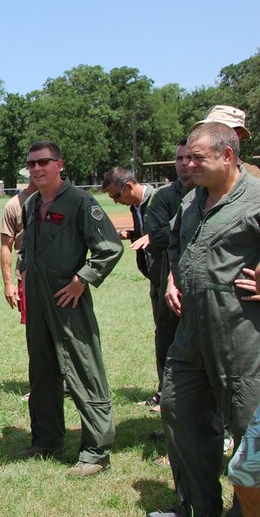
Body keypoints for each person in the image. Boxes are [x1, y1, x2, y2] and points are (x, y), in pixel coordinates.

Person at [159, 122, 260, 517]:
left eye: (198, 158)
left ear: (228, 155)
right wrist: (171, 277)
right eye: (186, 158)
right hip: (190, 333)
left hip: (239, 333)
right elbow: (177, 242)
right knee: (178, 409)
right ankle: (200, 507)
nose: (189, 165)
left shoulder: (255, 199)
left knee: (245, 423)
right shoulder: (190, 201)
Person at [17, 140, 123, 477]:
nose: (37, 169)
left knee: (83, 368)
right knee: (43, 370)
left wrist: (83, 279)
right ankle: (47, 439)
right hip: (37, 300)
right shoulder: (31, 203)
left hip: (67, 298)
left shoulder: (80, 201)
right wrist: (23, 271)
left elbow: (109, 246)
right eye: (32, 164)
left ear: (60, 164)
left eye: (44, 162)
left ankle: (96, 450)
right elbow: (28, 248)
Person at [101, 166, 160, 409]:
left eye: (116, 196)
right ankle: (164, 392)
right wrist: (131, 233)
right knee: (163, 337)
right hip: (155, 280)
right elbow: (144, 230)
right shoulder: (135, 205)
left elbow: (177, 230)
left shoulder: (159, 198)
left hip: (171, 280)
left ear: (128, 186)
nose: (116, 202)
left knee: (170, 339)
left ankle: (170, 396)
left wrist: (152, 237)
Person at [143, 140, 192, 415]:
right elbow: (159, 237)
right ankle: (168, 400)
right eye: (179, 158)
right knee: (168, 341)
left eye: (189, 157)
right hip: (167, 278)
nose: (184, 163)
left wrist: (175, 230)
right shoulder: (163, 197)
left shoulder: (210, 195)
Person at [0, 179, 37, 320]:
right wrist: (8, 284)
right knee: (34, 331)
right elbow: (5, 247)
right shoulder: (14, 205)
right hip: (27, 277)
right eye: (33, 165)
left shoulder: (62, 199)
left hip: (58, 278)